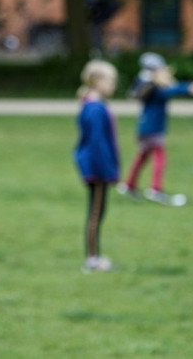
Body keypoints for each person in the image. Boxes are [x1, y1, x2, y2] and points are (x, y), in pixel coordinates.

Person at [117, 52, 193, 202]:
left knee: (143, 156)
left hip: (144, 127)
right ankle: (155, 189)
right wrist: (189, 88)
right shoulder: (153, 87)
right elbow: (171, 90)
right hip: (153, 128)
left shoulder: (148, 85)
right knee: (159, 156)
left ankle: (129, 185)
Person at [74, 60, 120, 273]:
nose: (114, 85)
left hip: (98, 167)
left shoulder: (94, 105)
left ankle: (94, 256)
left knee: (97, 213)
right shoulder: (95, 109)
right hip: (97, 169)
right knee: (95, 214)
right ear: (97, 81)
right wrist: (107, 171)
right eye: (111, 81)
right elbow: (97, 143)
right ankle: (92, 259)